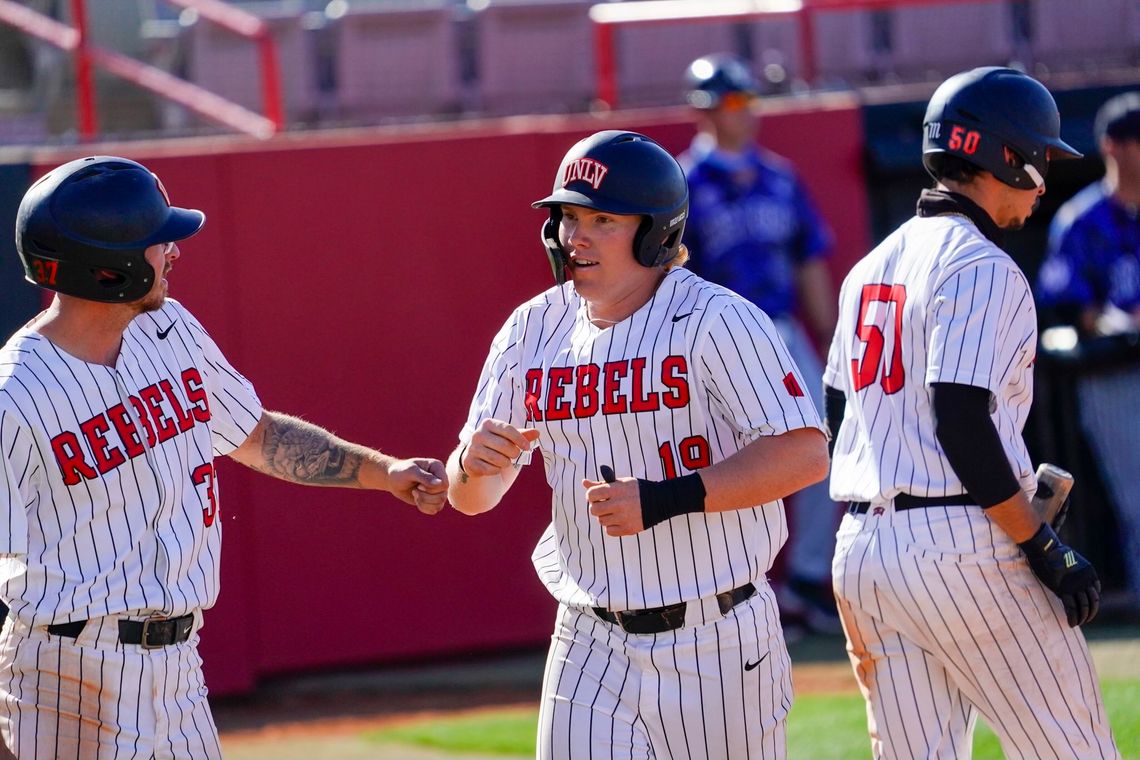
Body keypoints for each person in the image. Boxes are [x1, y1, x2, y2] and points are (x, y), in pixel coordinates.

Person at [0, 155, 449, 759]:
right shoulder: (15, 396)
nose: (174, 251)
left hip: (180, 669)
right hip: (65, 675)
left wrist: (383, 472)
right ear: (110, 267)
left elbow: (256, 435)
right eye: (158, 240)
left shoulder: (170, 329)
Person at [446, 130, 829, 759]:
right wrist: (472, 465)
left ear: (656, 231)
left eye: (603, 219)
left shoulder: (718, 319)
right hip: (587, 638)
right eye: (568, 217)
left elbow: (805, 452)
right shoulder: (532, 327)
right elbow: (472, 498)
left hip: (718, 635)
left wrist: (664, 499)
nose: (576, 237)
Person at [824, 67, 1119, 758]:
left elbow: (841, 415)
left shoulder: (870, 266)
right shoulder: (981, 264)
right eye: (1039, 158)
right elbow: (960, 419)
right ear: (1002, 156)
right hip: (960, 544)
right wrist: (1041, 546)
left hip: (864, 552)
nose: (1045, 179)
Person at [678, 53, 842, 635]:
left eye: (749, 101)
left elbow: (808, 260)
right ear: (704, 109)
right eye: (732, 102)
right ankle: (741, 586)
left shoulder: (780, 176)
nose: (745, 113)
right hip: (711, 339)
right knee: (728, 463)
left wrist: (829, 340)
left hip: (781, 328)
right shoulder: (683, 183)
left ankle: (803, 578)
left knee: (824, 445)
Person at [1036, 91, 1140, 606]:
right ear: (1113, 147)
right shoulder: (1083, 219)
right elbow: (1068, 302)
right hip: (1113, 372)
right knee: (1138, 501)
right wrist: (1119, 320)